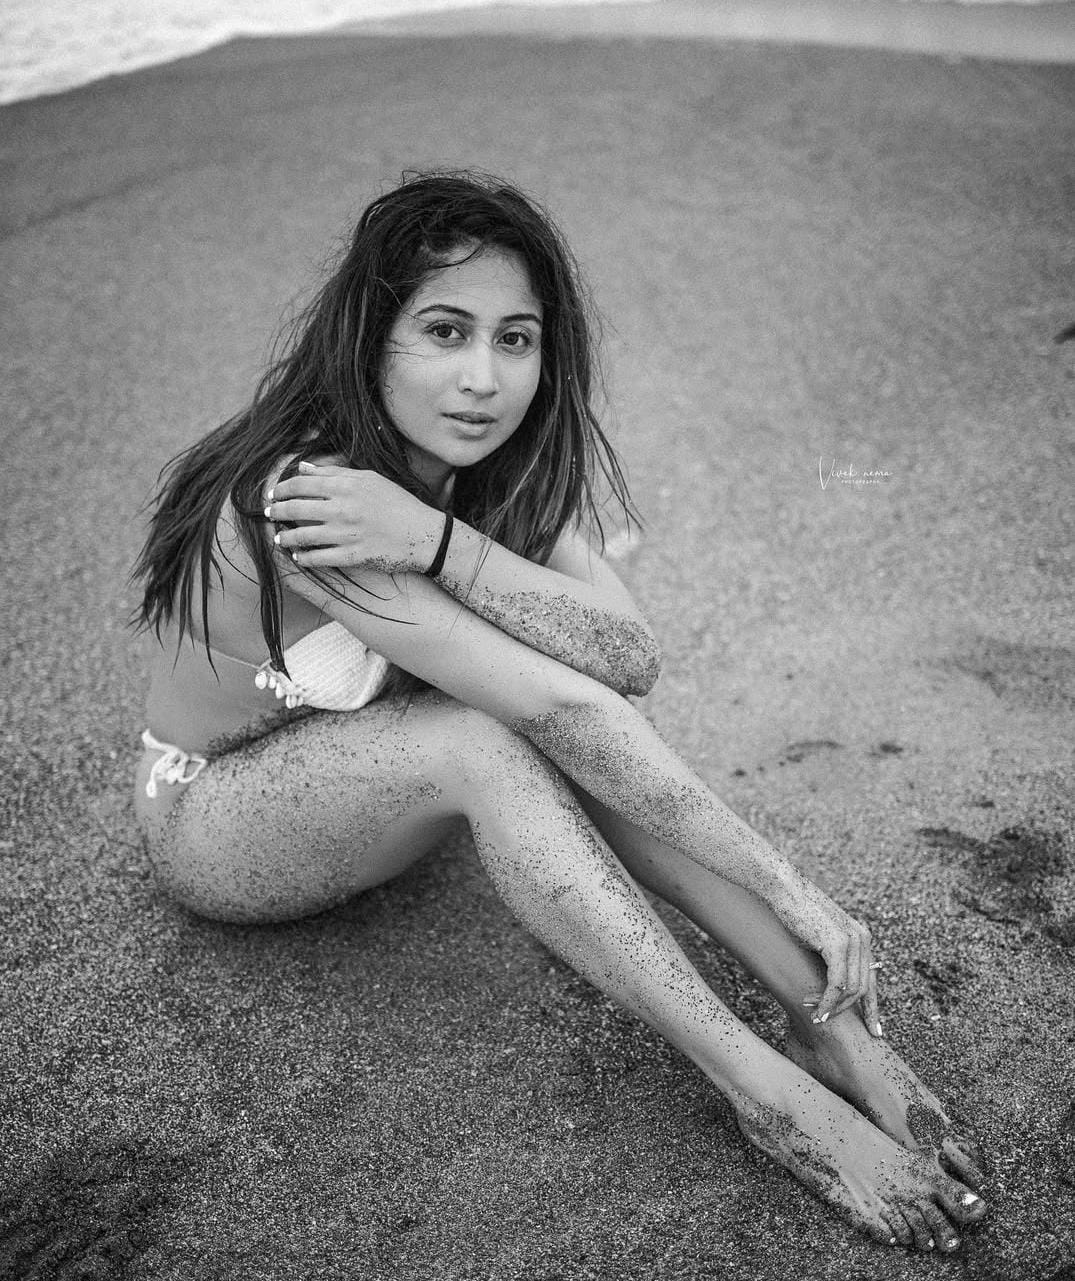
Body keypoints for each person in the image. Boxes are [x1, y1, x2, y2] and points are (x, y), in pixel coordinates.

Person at [132, 170, 986, 1251]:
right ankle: (763, 1091)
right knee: (492, 731)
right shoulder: (311, 498)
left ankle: (830, 1030)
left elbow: (625, 656)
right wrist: (787, 882)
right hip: (218, 821)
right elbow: (560, 704)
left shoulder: (484, 469)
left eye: (516, 340)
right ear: (370, 339)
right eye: (445, 331)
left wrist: (441, 542)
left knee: (541, 715)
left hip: (376, 779)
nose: (483, 379)